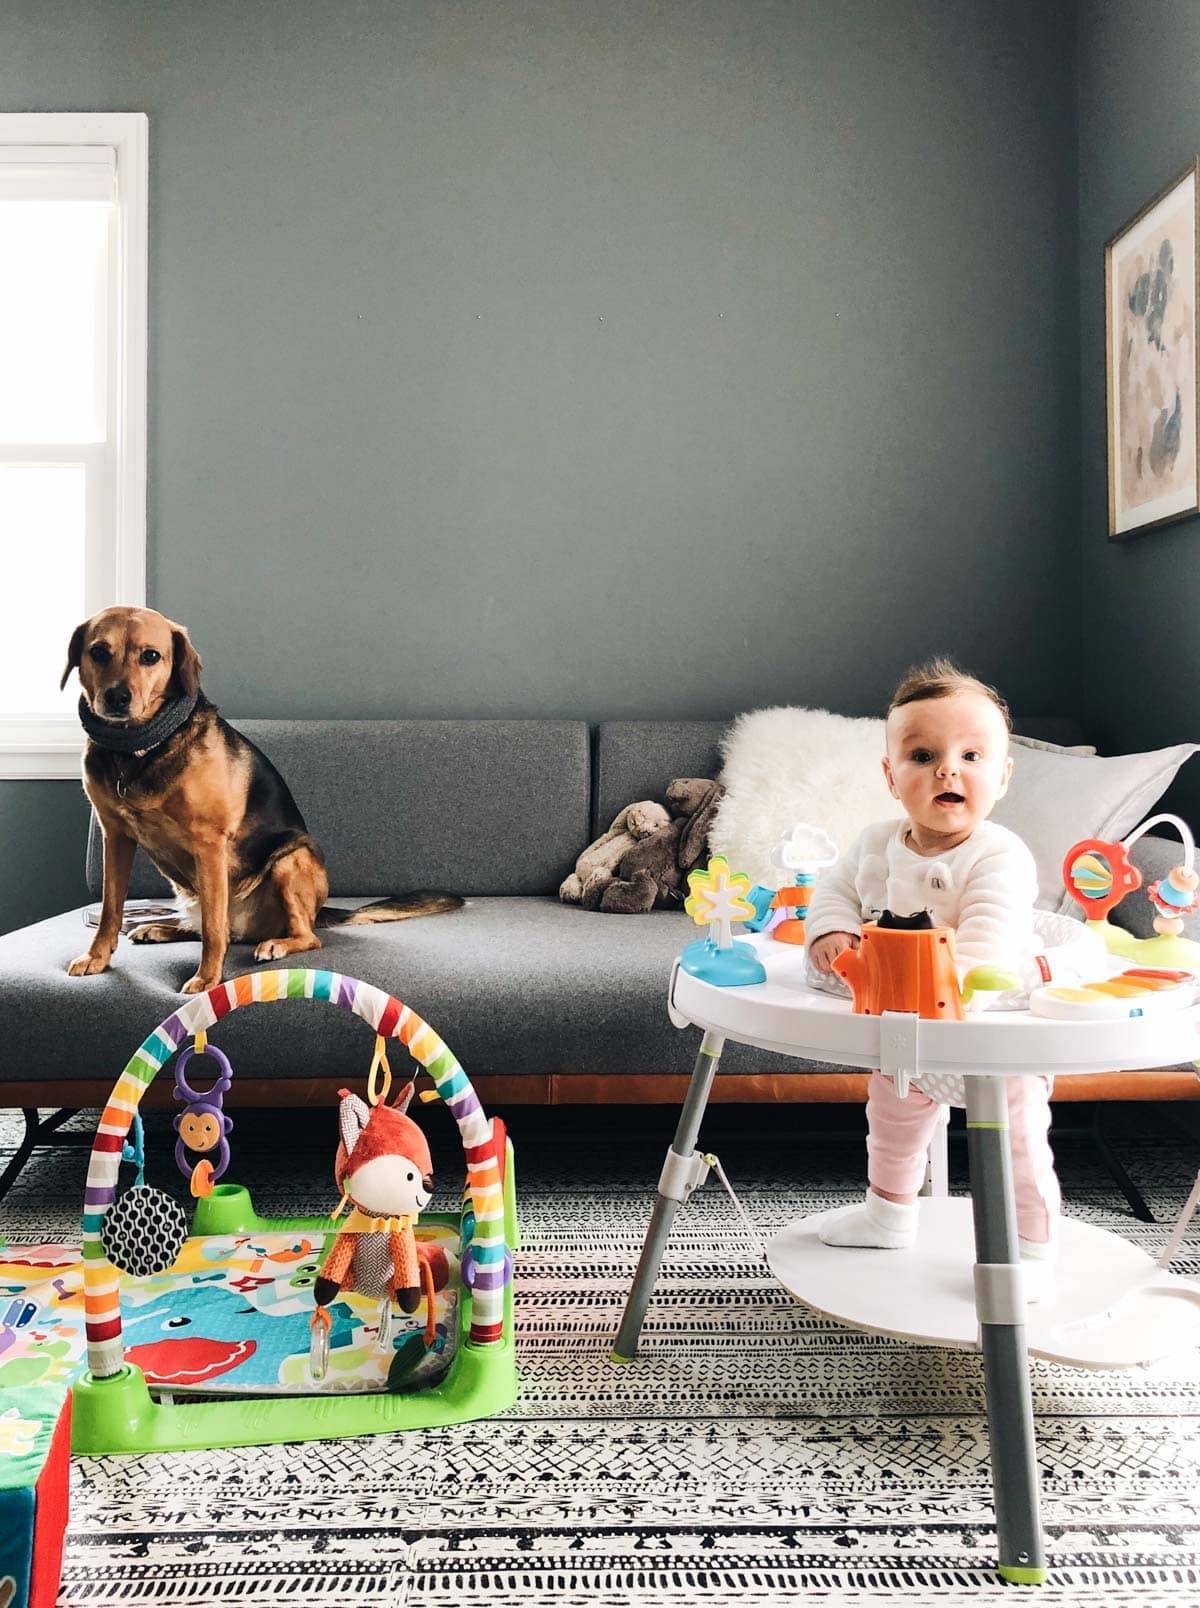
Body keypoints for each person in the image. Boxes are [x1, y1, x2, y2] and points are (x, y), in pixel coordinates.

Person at [805, 657, 1060, 1298]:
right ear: (891, 778)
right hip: (902, 1028)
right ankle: (889, 1212)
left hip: (988, 1036)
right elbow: (831, 893)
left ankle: (1030, 1246)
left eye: (971, 755)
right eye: (923, 755)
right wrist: (832, 933)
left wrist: (954, 981)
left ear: (1001, 777)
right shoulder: (873, 843)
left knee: (1017, 1147)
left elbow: (989, 944)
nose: (948, 769)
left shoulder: (999, 854)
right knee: (890, 1122)